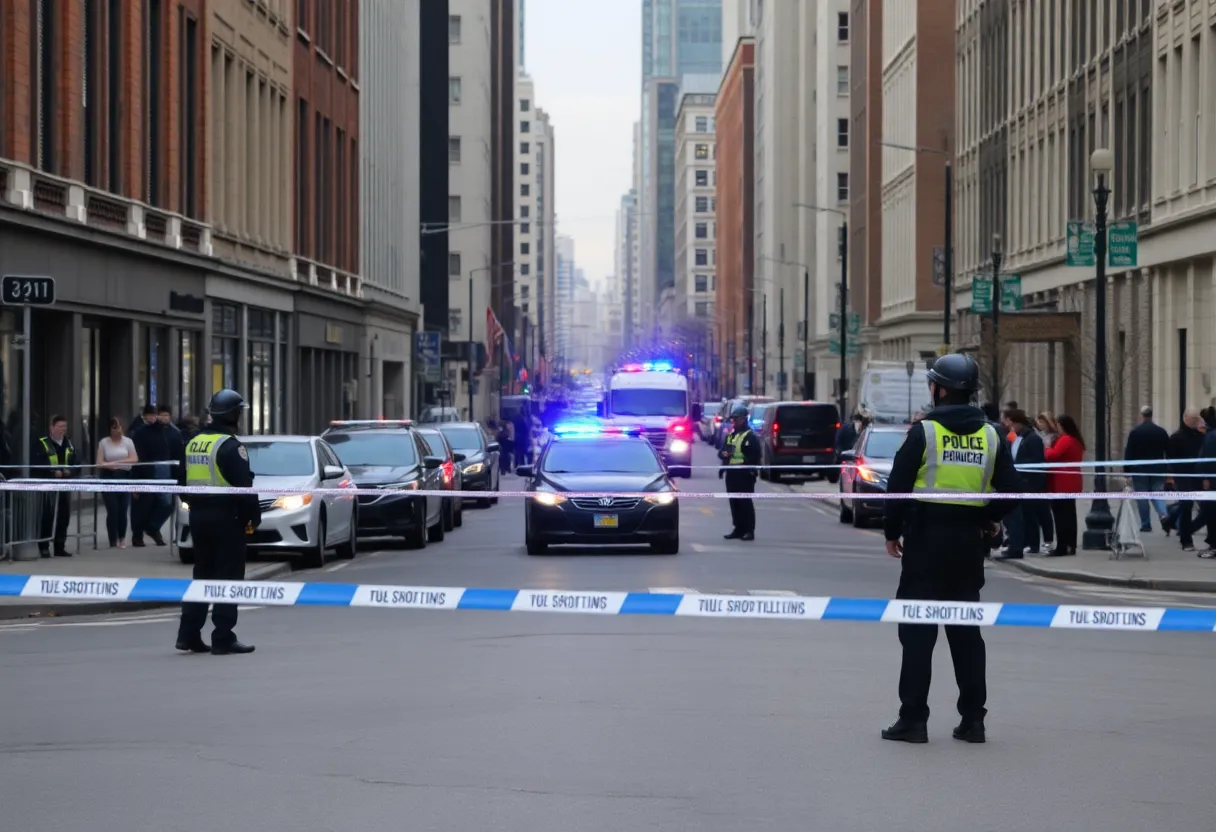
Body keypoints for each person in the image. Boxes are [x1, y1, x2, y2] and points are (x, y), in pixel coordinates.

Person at [880, 353, 1020, 745]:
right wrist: (988, 517)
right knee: (966, 635)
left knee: (917, 634)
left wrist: (892, 532)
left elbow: (897, 487)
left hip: (925, 542)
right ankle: (973, 720)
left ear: (939, 390)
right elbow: (1012, 490)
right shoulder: (991, 435)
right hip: (968, 545)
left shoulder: (924, 433)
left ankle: (913, 720)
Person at [176, 389, 260, 655]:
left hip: (199, 517)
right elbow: (244, 488)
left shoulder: (193, 442)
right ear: (234, 415)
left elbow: (181, 483)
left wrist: (195, 505)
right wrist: (252, 517)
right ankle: (223, 637)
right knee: (228, 577)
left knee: (202, 575)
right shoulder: (231, 446)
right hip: (227, 518)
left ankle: (188, 634)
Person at [998, 409, 1051, 558]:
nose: (1011, 427)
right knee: (1024, 516)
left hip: (1030, 483)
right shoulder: (1016, 437)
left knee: (1031, 515)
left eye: (1012, 424)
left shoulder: (1032, 438)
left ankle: (1033, 544)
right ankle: (1026, 542)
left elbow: (1036, 461)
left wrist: (1020, 468)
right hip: (1019, 481)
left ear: (1019, 423)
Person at [32, 415, 77, 558]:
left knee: (63, 517)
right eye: (60, 426)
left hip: (64, 485)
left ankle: (60, 546)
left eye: (64, 427)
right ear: (52, 427)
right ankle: (44, 546)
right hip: (48, 485)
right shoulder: (43, 443)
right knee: (47, 516)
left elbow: (76, 462)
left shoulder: (69, 444)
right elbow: (37, 463)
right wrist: (52, 471)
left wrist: (70, 471)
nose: (63, 429)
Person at [1123, 405, 1170, 533]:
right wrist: (1168, 468)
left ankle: (1146, 524)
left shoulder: (1135, 432)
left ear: (1142, 416)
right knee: (1157, 493)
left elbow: (1129, 452)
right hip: (1158, 469)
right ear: (1151, 415)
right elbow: (1168, 451)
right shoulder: (1161, 431)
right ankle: (1164, 514)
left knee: (1142, 496)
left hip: (1139, 469)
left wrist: (1127, 471)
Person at [718, 404, 761, 540]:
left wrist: (748, 467)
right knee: (734, 502)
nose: (733, 422)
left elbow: (755, 455)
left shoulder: (750, 436)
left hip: (744, 474)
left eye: (735, 420)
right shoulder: (731, 436)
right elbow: (722, 452)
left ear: (743, 419)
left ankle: (749, 530)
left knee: (745, 503)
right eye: (732, 420)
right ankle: (738, 528)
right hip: (732, 474)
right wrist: (724, 459)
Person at [1044, 414, 1085, 556]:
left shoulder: (1066, 439)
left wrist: (1046, 447)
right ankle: (1070, 545)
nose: (1057, 428)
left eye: (1058, 425)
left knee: (1060, 515)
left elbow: (1052, 455)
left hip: (1062, 481)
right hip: (1072, 480)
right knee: (1070, 514)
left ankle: (1062, 546)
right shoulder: (1076, 440)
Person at [96, 417, 139, 548]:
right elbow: (99, 462)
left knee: (122, 509)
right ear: (110, 429)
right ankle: (112, 539)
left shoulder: (128, 442)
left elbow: (134, 459)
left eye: (119, 427)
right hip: (109, 477)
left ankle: (122, 538)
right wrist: (110, 466)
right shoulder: (104, 442)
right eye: (114, 428)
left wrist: (118, 462)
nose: (117, 430)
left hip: (124, 476)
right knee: (112, 510)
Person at [1167, 409, 1207, 550]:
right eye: (1193, 418)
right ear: (1185, 418)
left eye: (1197, 418)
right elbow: (1170, 458)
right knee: (1186, 507)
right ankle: (1186, 541)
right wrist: (1172, 476)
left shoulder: (1201, 437)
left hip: (1199, 476)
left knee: (1207, 508)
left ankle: (1178, 524)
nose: (1196, 421)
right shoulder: (1176, 437)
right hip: (1183, 476)